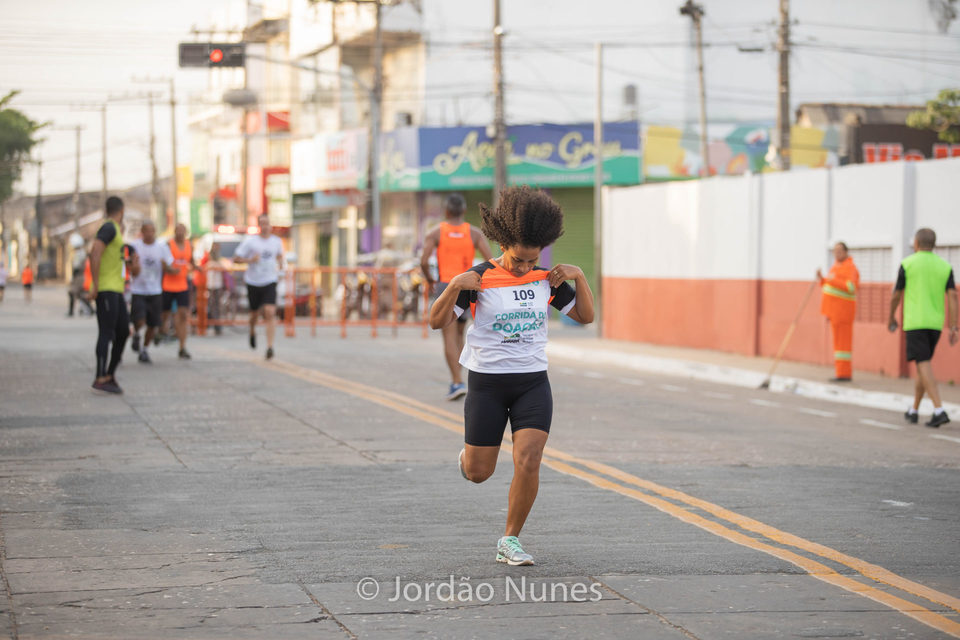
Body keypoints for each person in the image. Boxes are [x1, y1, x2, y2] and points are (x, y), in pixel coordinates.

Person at [429, 186, 595, 566]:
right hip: (487, 384)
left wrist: (580, 276)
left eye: (532, 259)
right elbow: (437, 322)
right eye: (519, 260)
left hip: (532, 382)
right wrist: (454, 284)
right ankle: (468, 459)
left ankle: (510, 540)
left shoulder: (545, 280)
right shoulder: (479, 278)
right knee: (479, 473)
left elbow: (585, 318)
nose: (524, 267)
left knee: (530, 458)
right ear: (504, 242)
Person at [420, 193, 493, 400]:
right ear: (462, 211)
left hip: (447, 287)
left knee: (449, 337)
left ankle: (456, 382)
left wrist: (430, 280)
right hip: (468, 286)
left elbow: (424, 261)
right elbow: (490, 261)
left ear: (446, 211)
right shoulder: (474, 233)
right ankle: (460, 378)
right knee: (461, 335)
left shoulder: (435, 233)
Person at [888, 228, 958, 428]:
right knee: (922, 366)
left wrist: (891, 316)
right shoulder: (944, 266)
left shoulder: (908, 264)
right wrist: (954, 325)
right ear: (934, 245)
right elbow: (953, 296)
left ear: (916, 244)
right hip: (935, 324)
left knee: (923, 364)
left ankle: (939, 410)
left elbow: (896, 295)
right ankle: (914, 410)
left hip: (916, 322)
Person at [89, 196, 136, 394]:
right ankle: (100, 377)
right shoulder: (108, 228)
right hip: (106, 289)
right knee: (106, 333)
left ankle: (109, 374)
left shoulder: (117, 232)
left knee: (124, 331)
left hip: (116, 289)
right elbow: (95, 252)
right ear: (122, 210)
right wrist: (96, 284)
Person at [234, 214, 284, 360]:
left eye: (267, 223)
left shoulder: (276, 241)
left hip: (270, 280)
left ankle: (270, 346)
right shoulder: (250, 242)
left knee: (270, 311)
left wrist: (281, 267)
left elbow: (280, 256)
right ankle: (251, 330)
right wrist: (250, 260)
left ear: (270, 225)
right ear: (258, 225)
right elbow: (236, 258)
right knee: (254, 314)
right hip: (253, 281)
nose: (265, 226)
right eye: (262, 223)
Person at [130, 221, 175, 364]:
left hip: (155, 290)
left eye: (151, 231)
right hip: (138, 290)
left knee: (152, 323)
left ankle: (144, 349)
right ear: (142, 232)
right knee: (139, 319)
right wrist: (134, 266)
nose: (149, 233)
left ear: (154, 231)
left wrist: (166, 267)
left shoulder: (161, 247)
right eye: (146, 231)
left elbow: (169, 266)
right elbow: (130, 267)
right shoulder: (135, 246)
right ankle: (137, 334)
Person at [817, 242, 860, 382]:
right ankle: (840, 372)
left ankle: (844, 374)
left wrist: (832, 280)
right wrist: (822, 279)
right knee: (838, 346)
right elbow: (829, 285)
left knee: (843, 346)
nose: (837, 253)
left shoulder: (850, 267)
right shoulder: (835, 267)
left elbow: (851, 287)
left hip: (844, 313)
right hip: (834, 312)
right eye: (835, 251)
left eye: (840, 250)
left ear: (846, 251)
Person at [161, 223, 194, 360]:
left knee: (182, 316)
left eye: (183, 230)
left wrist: (197, 268)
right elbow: (163, 263)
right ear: (174, 232)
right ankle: (161, 330)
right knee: (165, 315)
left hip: (182, 285)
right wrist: (170, 270)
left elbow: (191, 261)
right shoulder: (169, 245)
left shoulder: (189, 245)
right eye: (178, 230)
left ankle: (182, 347)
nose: (180, 233)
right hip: (168, 285)